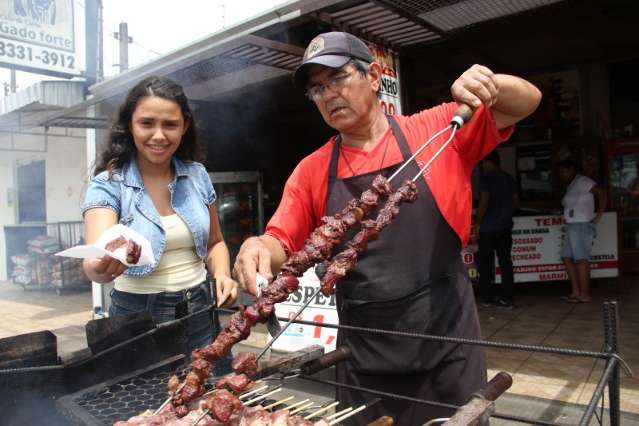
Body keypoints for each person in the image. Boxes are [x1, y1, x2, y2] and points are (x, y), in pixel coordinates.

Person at [233, 32, 541, 425]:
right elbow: (281, 240)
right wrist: (259, 246)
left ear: (374, 76)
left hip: (447, 348)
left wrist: (489, 84)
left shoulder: (435, 130)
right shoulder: (312, 170)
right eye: (317, 89)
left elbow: (527, 101)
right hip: (363, 360)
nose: (328, 95)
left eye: (338, 78)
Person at [81, 76, 238, 369]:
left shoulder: (197, 175)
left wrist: (223, 275)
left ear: (185, 126)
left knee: (209, 398)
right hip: (138, 317)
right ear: (130, 124)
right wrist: (100, 266)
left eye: (170, 125)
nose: (158, 135)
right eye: (147, 123)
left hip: (200, 309)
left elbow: (215, 243)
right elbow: (95, 256)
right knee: (147, 410)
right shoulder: (109, 185)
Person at [558, 159, 606, 303]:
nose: (561, 175)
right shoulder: (571, 185)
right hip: (571, 225)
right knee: (566, 257)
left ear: (572, 169)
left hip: (581, 225)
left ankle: (585, 294)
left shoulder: (582, 180)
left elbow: (601, 192)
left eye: (563, 171)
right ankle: (575, 291)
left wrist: (599, 214)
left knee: (581, 260)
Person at [475, 150, 518, 308]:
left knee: (486, 264)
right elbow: (515, 202)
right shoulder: (508, 178)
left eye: (483, 162)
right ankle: (508, 299)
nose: (482, 166)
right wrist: (505, 213)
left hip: (488, 229)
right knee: (506, 263)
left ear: (489, 162)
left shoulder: (487, 179)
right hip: (505, 227)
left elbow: (484, 202)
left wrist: (478, 222)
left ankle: (487, 298)